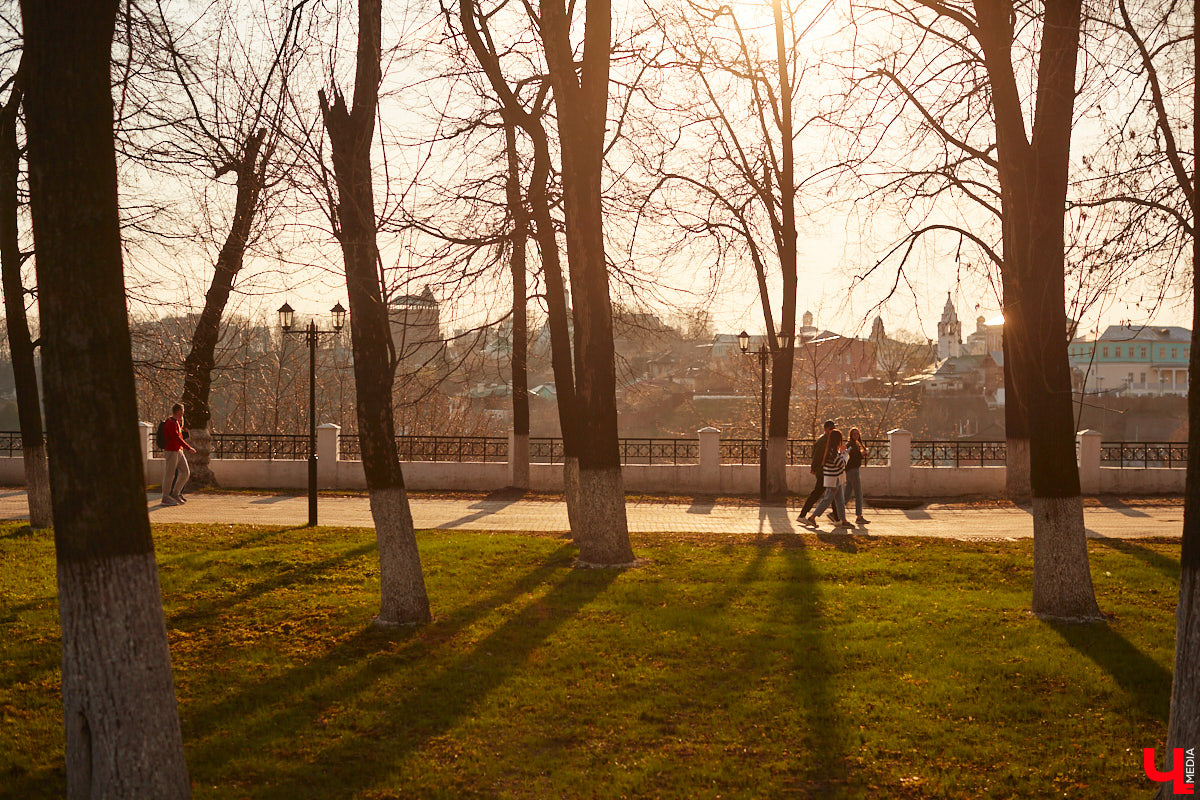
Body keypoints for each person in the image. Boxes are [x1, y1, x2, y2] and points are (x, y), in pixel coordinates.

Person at [801, 429, 853, 528]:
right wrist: (846, 454)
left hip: (836, 478)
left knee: (840, 500)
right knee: (827, 500)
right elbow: (841, 464)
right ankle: (812, 518)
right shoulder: (832, 451)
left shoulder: (832, 450)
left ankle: (843, 520)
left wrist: (842, 452)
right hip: (833, 480)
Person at [799, 419, 837, 521]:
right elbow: (817, 456)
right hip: (823, 471)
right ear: (825, 429)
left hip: (826, 471)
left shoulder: (828, 440)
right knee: (820, 494)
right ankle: (803, 515)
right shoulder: (823, 441)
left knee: (832, 494)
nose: (833, 430)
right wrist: (814, 468)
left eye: (834, 428)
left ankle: (836, 517)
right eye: (831, 429)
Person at [161, 402, 195, 506]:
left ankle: (176, 494)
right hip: (171, 451)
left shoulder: (176, 422)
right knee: (169, 475)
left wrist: (182, 424)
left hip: (178, 451)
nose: (183, 414)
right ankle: (165, 497)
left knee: (185, 472)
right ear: (178, 411)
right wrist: (188, 448)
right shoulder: (170, 423)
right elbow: (176, 438)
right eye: (182, 412)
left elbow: (179, 437)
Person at [843, 427, 870, 526]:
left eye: (857, 434)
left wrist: (861, 454)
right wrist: (863, 454)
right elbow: (852, 457)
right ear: (851, 435)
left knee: (847, 493)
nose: (856, 436)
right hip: (853, 471)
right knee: (858, 494)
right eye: (854, 434)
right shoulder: (851, 445)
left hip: (851, 471)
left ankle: (836, 513)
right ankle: (859, 516)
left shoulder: (854, 444)